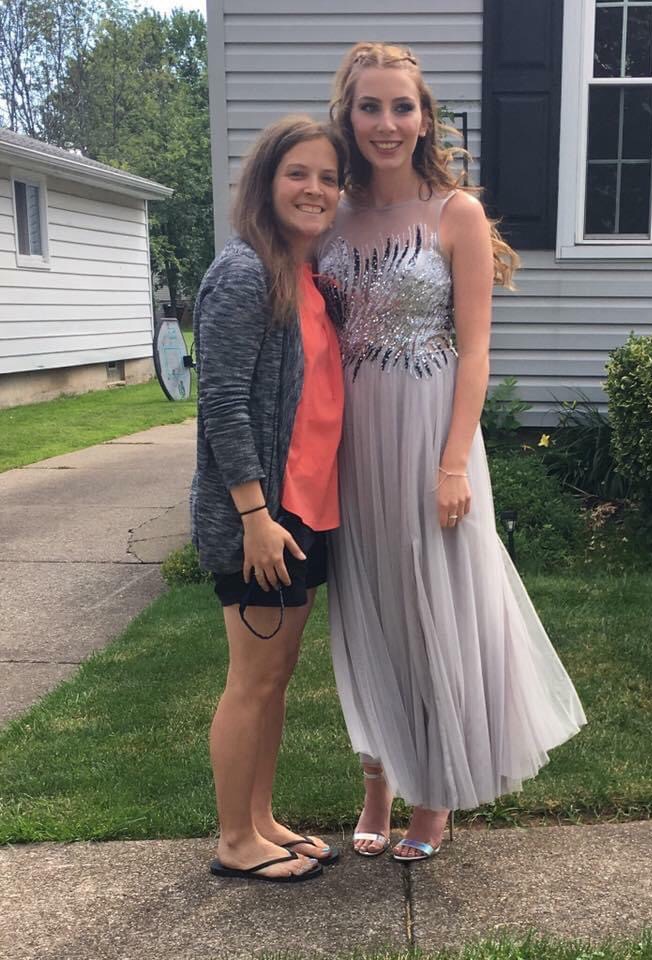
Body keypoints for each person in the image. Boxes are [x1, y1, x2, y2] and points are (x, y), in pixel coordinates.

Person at [317, 42, 587, 862]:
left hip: (433, 432)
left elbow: (475, 351)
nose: (387, 123)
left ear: (425, 117)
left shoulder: (454, 213)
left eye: (403, 107)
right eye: (371, 106)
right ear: (349, 115)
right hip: (351, 437)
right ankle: (377, 780)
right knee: (365, 605)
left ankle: (433, 795)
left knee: (434, 600)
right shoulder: (330, 212)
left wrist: (451, 464)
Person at [191, 116, 346, 883]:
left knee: (276, 675)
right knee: (252, 678)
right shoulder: (245, 270)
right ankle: (233, 841)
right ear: (266, 181)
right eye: (298, 174)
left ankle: (261, 819)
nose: (314, 188)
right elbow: (220, 400)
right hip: (261, 518)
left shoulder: (307, 278)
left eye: (327, 177)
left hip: (307, 513)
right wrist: (254, 516)